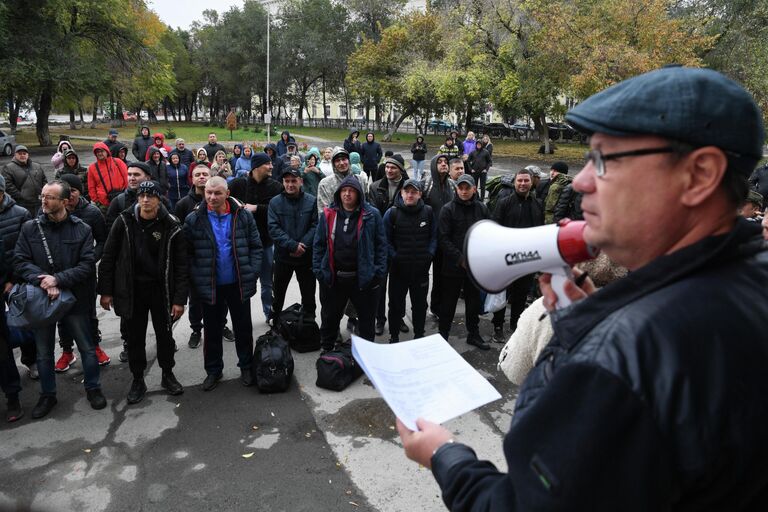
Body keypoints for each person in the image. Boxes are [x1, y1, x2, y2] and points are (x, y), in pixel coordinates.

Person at [398, 66, 768, 510]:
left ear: (700, 175)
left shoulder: (618, 361)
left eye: (604, 159)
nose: (580, 181)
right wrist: (586, 321)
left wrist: (445, 455)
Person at [14, 181, 106, 419]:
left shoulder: (82, 229)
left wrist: (58, 280)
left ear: (65, 202)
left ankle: (93, 388)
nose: (44, 201)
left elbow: (87, 264)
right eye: (43, 196)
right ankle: (48, 395)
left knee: (86, 347)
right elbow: (20, 261)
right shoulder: (29, 228)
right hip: (41, 299)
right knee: (44, 352)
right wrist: (43, 281)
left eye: (50, 197)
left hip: (75, 298)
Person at [99, 181, 188, 404]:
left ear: (160, 199)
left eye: (151, 196)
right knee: (135, 337)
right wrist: (106, 291)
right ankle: (138, 379)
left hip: (161, 290)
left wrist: (179, 299)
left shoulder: (171, 224)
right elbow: (108, 257)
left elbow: (182, 265)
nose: (145, 200)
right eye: (142, 195)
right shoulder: (124, 221)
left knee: (165, 335)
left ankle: (168, 374)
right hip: (132, 290)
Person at [184, 177, 262, 390]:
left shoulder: (243, 215)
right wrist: (196, 276)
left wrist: (252, 272)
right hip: (210, 286)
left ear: (227, 193)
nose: (212, 197)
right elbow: (187, 254)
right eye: (208, 192)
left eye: (217, 193)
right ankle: (213, 371)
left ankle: (246, 366)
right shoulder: (194, 219)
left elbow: (256, 246)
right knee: (212, 330)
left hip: (237, 283)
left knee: (243, 328)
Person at [313, 176, 387, 351]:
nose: (347, 194)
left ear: (359, 194)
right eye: (344, 191)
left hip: (363, 279)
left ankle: (367, 352)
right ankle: (327, 349)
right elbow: (318, 245)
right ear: (339, 194)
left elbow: (381, 245)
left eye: (351, 191)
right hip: (334, 278)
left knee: (367, 319)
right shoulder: (328, 215)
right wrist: (319, 270)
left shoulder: (371, 215)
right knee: (330, 317)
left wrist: (378, 272)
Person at [54, 175, 110, 372]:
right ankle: (67, 351)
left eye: (73, 191)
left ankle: (94, 346)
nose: (68, 196)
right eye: (65, 192)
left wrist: (89, 260)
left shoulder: (92, 213)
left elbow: (103, 241)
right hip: (59, 275)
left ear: (80, 191)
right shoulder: (51, 212)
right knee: (62, 314)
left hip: (84, 275)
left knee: (89, 314)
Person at [436, 174, 491, 349]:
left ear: (474, 188)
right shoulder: (448, 209)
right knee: (448, 303)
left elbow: (487, 233)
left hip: (474, 266)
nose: (464, 191)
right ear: (457, 189)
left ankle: (473, 334)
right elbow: (443, 239)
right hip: (452, 266)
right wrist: (460, 259)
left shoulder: (482, 208)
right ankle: (443, 335)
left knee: (473, 302)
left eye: (468, 188)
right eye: (461, 188)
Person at [490, 168, 544, 342]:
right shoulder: (504, 203)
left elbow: (539, 232)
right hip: (506, 258)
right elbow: (495, 229)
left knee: (520, 296)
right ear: (514, 182)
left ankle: (516, 325)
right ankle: (498, 326)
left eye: (526, 180)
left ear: (531, 182)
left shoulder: (537, 204)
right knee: (502, 295)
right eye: (519, 180)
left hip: (527, 259)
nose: (522, 184)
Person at [229, 153, 283, 322]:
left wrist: (256, 208)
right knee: (240, 283)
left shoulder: (275, 187)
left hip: (266, 242)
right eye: (268, 164)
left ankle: (269, 314)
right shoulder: (238, 184)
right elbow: (226, 200)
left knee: (267, 283)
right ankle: (239, 318)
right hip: (242, 245)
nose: (272, 166)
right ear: (257, 166)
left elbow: (279, 210)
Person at [383, 179, 437, 343]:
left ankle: (419, 334)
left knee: (420, 306)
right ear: (402, 193)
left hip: (420, 271)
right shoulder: (391, 213)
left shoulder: (428, 212)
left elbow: (434, 237)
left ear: (420, 194)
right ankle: (394, 337)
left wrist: (429, 254)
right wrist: (395, 257)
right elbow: (385, 240)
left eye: (414, 192)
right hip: (398, 271)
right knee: (395, 306)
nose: (410, 195)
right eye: (407, 191)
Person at [268, 168, 318, 323]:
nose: (290, 184)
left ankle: (309, 323)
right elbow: (273, 228)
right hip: (283, 257)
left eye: (293, 181)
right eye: (287, 181)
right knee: (278, 294)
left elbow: (316, 225)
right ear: (283, 182)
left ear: (301, 181)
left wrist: (302, 245)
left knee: (309, 295)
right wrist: (292, 246)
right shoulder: (275, 202)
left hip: (306, 257)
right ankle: (275, 322)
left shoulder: (311, 200)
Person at [369, 157, 408, 335]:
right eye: (387, 167)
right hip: (381, 244)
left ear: (400, 169)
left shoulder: (409, 186)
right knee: (380, 285)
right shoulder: (375, 187)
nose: (389, 170)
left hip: (401, 242)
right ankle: (379, 319)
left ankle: (398, 317)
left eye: (393, 167)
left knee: (398, 286)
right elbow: (373, 215)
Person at [419, 154, 456, 319]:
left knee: (440, 276)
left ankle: (436, 307)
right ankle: (419, 307)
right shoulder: (426, 184)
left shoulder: (452, 185)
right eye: (440, 162)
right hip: (426, 239)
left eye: (445, 162)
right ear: (434, 165)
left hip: (444, 240)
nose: (443, 164)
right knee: (421, 277)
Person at [2, 145, 47, 216]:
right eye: (20, 154)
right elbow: (7, 185)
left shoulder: (37, 166)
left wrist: (44, 193)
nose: (22, 155)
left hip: (39, 202)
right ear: (15, 155)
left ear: (28, 155)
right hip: (22, 204)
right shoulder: (8, 168)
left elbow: (44, 180)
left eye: (24, 153)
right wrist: (20, 196)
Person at [87, 142, 128, 214]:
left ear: (107, 151)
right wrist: (96, 201)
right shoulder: (92, 168)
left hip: (121, 198)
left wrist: (127, 193)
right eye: (97, 152)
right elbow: (91, 187)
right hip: (104, 203)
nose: (100, 153)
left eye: (102, 151)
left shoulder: (118, 162)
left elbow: (126, 178)